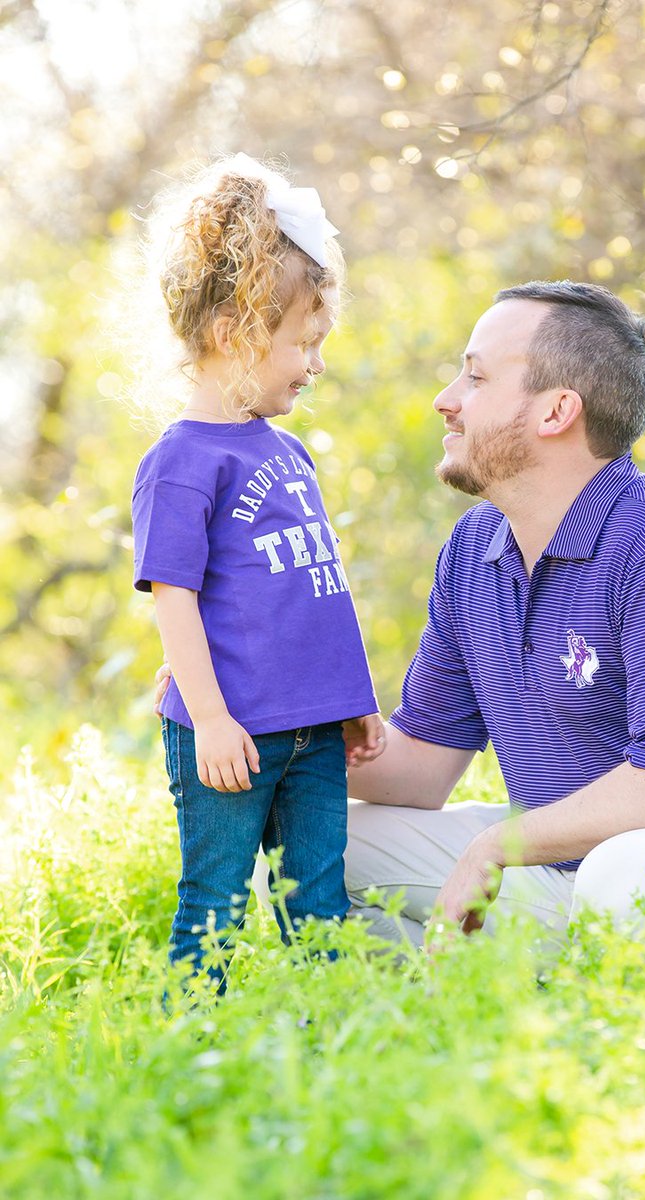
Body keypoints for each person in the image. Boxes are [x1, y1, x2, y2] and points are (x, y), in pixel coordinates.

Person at [342, 281, 645, 947]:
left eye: (476, 377)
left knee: (627, 874)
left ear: (555, 412)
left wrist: (498, 844)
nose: (447, 400)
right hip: (574, 868)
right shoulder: (471, 552)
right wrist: (275, 725)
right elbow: (419, 768)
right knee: (322, 844)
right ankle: (482, 1028)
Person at [132, 153, 384, 992]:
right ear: (237, 334)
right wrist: (208, 718)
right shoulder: (183, 460)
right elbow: (175, 600)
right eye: (302, 344)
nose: (314, 365)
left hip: (313, 732)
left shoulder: (288, 452)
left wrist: (350, 704)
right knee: (216, 899)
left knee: (320, 901)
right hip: (230, 734)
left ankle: (329, 1042)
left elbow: (310, 593)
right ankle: (189, 1045)